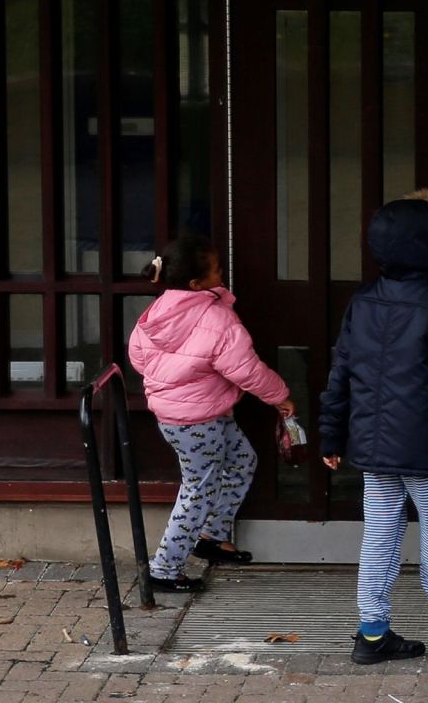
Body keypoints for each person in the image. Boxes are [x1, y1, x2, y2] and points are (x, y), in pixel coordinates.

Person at [319, 191, 428, 665]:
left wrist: (331, 436)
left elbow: (341, 373)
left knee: (378, 534)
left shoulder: (362, 301)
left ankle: (372, 633)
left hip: (372, 444)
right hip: (426, 447)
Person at [126, 230, 295, 591]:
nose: (222, 276)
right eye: (217, 271)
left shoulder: (157, 311)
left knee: (241, 462)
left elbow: (138, 357)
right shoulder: (217, 319)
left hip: (191, 413)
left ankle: (211, 536)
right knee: (198, 489)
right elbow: (246, 370)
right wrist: (280, 396)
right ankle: (164, 570)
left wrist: (170, 381)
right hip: (195, 419)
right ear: (196, 282)